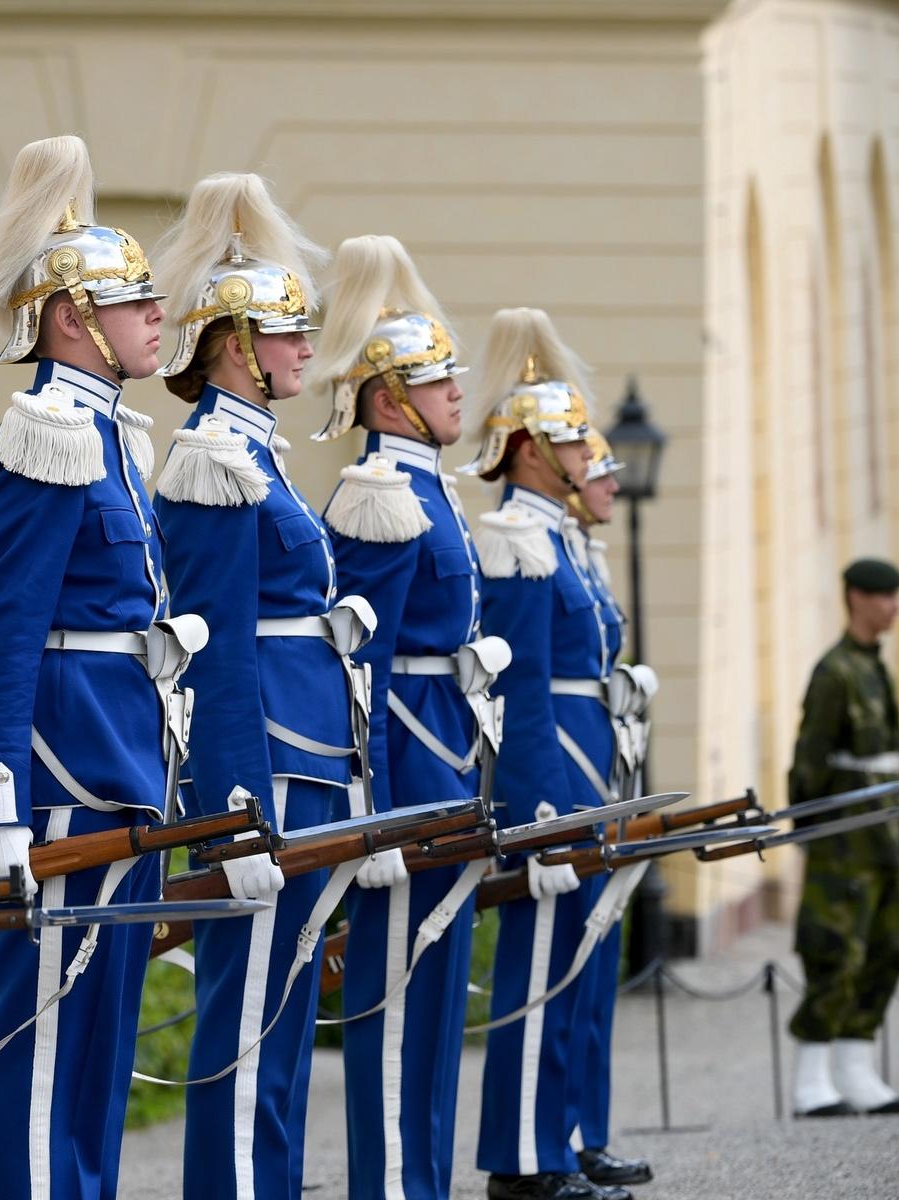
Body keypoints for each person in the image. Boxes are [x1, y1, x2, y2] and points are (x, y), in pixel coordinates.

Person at [0, 134, 187, 1200]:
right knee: (45, 1047)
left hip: (122, 767)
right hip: (62, 776)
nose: (156, 319)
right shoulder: (44, 435)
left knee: (99, 1045)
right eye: (134, 303)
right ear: (69, 319)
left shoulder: (110, 439)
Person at [146, 172, 343, 1199]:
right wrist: (235, 816)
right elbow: (214, 648)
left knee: (285, 1023)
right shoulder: (214, 461)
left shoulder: (261, 454)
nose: (307, 344)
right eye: (287, 330)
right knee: (249, 1016)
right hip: (262, 774)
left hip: (306, 765)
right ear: (233, 344)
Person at [311, 235, 506, 1200]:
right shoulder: (379, 493)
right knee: (394, 1002)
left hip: (451, 759)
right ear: (389, 401)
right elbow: (362, 664)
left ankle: (422, 1181)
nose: (457, 394)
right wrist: (374, 805)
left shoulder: (431, 485)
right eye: (437, 383)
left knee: (436, 1008)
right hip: (410, 767)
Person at [467, 309, 628, 1200]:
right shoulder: (517, 540)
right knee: (537, 975)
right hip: (552, 775)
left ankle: (556, 1143)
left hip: (585, 766)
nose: (588, 457)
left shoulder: (556, 536)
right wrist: (536, 810)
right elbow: (520, 690)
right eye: (571, 444)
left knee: (573, 966)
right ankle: (524, 1160)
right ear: (531, 451)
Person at [786, 557, 899, 1117]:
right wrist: (811, 828)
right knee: (834, 951)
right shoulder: (835, 672)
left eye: (896, 596)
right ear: (856, 598)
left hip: (882, 834)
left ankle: (856, 1070)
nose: (893, 606)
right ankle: (812, 1080)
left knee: (883, 952)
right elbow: (810, 759)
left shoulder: (873, 667)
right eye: (883, 596)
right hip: (844, 840)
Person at [561, 431, 655, 1188]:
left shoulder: (578, 551)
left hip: (600, 771)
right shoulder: (531, 546)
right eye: (601, 473)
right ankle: (547, 1146)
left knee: (594, 974)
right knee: (563, 976)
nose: (613, 486)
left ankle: (583, 1134)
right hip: (566, 777)